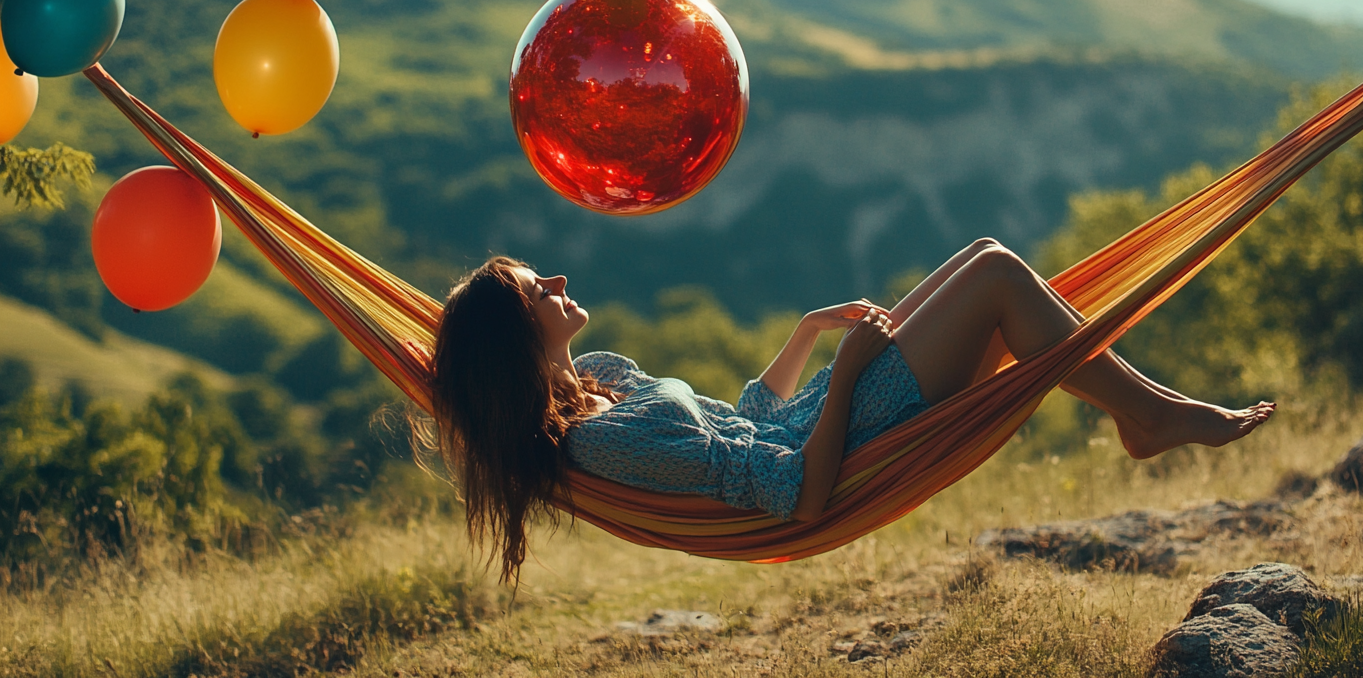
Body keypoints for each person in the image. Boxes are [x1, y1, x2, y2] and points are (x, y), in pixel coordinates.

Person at [424, 239, 1275, 581]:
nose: (561, 284)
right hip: (855, 439)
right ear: (514, 338)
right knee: (1000, 280)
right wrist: (853, 370)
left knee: (985, 257)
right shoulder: (607, 445)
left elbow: (741, 420)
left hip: (831, 409)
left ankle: (1150, 412)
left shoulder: (602, 374)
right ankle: (1152, 417)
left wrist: (806, 339)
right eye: (542, 289)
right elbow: (792, 492)